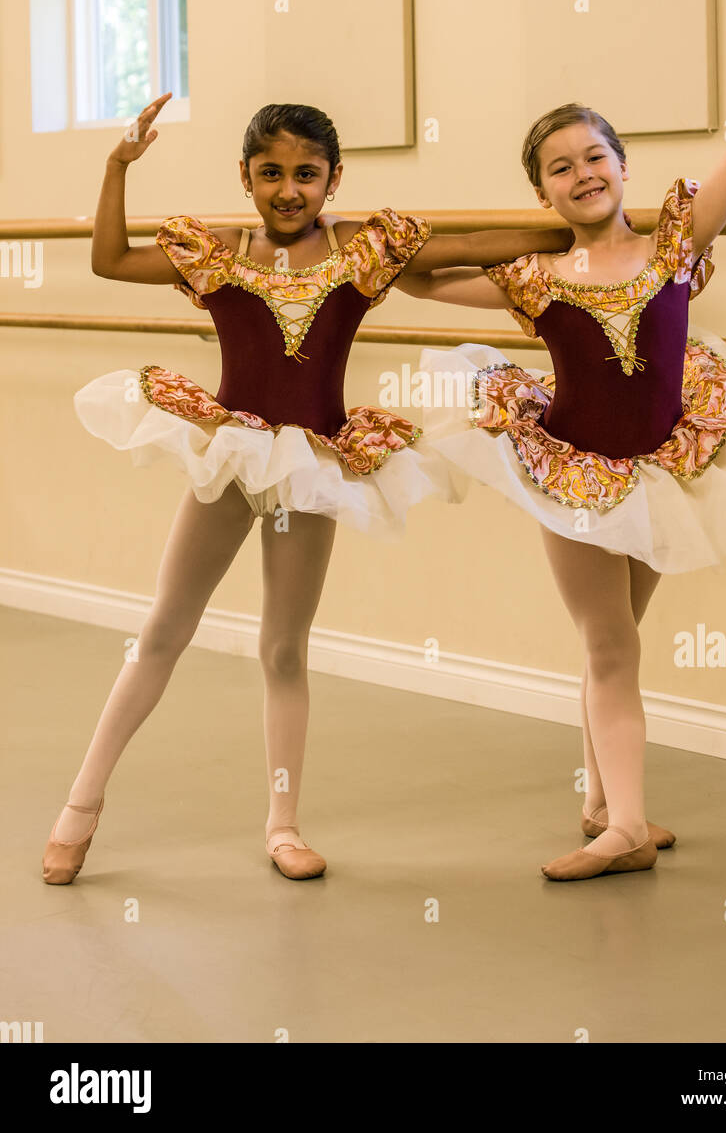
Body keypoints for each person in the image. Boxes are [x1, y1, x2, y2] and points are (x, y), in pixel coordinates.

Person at [42, 97, 573, 885]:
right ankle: (79, 810)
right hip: (231, 457)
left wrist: (572, 223)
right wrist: (117, 166)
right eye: (270, 174)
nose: (288, 190)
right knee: (163, 630)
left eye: (306, 175)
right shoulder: (217, 250)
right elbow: (109, 261)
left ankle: (283, 825)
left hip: (316, 465)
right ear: (246, 177)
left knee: (284, 650)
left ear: (333, 179)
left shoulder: (365, 249)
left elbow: (470, 245)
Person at [404, 0, 726, 880]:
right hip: (576, 472)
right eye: (560, 168)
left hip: (666, 468)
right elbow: (419, 279)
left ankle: (600, 802)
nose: (582, 173)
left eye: (595, 156)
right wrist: (509, 242)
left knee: (619, 633)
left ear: (622, 165)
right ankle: (625, 828)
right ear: (544, 193)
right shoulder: (540, 279)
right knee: (610, 644)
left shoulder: (675, 243)